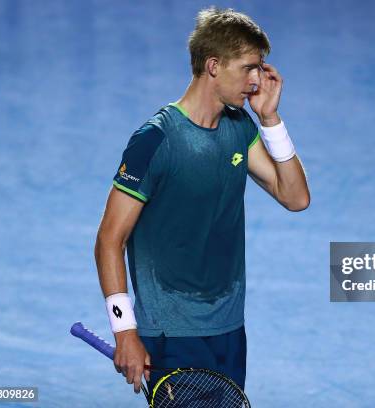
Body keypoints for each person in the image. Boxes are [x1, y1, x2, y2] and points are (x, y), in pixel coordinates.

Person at [94, 6, 310, 396]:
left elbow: (295, 198)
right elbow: (110, 239)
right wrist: (124, 330)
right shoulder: (155, 140)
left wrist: (271, 120)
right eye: (249, 68)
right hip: (172, 329)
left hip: (227, 323)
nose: (257, 80)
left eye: (261, 68)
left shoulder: (239, 128)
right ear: (214, 65)